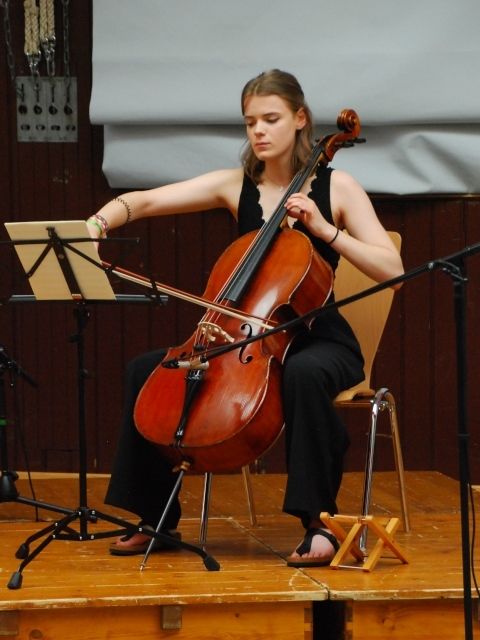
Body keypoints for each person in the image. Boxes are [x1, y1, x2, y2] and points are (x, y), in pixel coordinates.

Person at [86, 69, 404, 566]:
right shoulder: (236, 185)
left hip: (319, 338)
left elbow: (393, 270)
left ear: (300, 119)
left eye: (270, 119)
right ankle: (155, 519)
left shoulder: (338, 187)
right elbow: (146, 200)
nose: (258, 130)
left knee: (303, 372)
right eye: (250, 121)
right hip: (246, 337)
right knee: (147, 370)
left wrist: (325, 230)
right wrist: (99, 221)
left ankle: (319, 523)